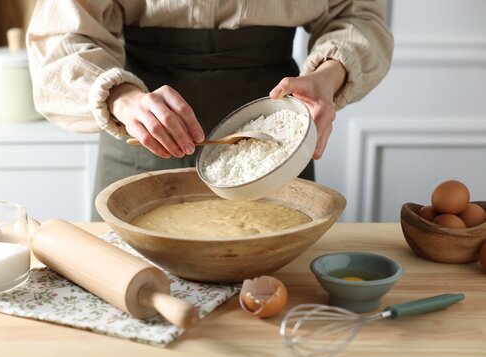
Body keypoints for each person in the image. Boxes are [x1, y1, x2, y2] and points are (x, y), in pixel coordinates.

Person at [26, 0, 393, 218]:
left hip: (275, 149)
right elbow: (61, 37)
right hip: (141, 137)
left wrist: (327, 78)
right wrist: (124, 100)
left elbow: (359, 15)